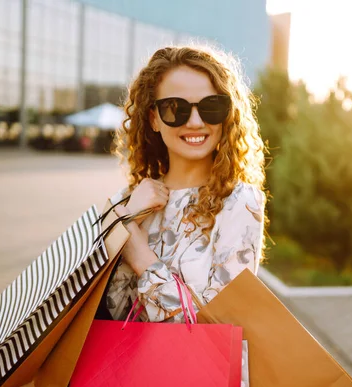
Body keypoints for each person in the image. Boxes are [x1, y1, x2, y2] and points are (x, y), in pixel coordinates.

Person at [99, 45, 267, 325]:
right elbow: (101, 312)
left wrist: (141, 258)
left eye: (211, 107)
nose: (196, 121)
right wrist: (127, 215)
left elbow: (216, 329)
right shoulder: (126, 202)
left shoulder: (239, 202)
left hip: (200, 370)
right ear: (153, 118)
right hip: (126, 367)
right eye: (176, 108)